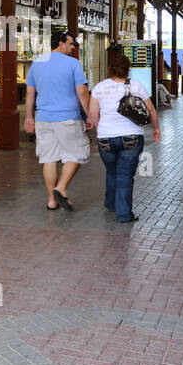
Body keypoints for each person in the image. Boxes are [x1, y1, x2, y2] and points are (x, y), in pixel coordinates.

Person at [24, 31, 93, 211]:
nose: (73, 48)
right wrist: (90, 115)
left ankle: (51, 201)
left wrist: (29, 117)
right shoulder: (73, 64)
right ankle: (61, 188)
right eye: (71, 44)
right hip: (67, 118)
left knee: (49, 158)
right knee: (79, 152)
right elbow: (82, 93)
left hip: (43, 119)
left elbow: (30, 93)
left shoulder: (37, 63)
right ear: (60, 44)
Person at [87, 53, 160, 223]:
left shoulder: (99, 88)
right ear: (128, 70)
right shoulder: (137, 86)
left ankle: (112, 203)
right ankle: (124, 214)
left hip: (106, 139)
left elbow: (92, 115)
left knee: (113, 171)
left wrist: (102, 131)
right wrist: (156, 129)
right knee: (125, 175)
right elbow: (151, 110)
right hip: (132, 138)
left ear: (110, 69)